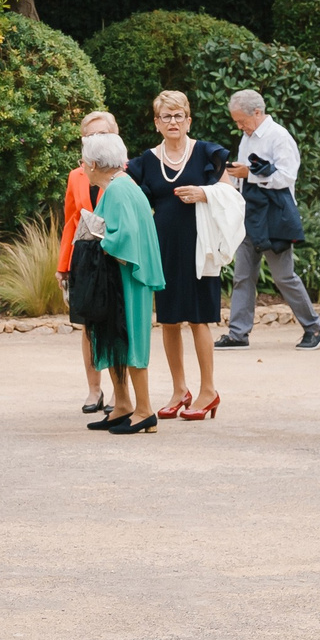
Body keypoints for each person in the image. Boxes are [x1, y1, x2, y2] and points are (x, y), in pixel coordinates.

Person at [128, 90, 228, 419]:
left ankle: (208, 390)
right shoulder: (145, 160)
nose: (173, 121)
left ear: (189, 119)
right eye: (166, 116)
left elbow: (230, 196)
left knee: (199, 318)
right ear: (157, 123)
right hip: (163, 248)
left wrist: (204, 193)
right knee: (169, 319)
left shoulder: (206, 154)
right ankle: (179, 389)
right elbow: (134, 200)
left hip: (201, 247)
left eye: (179, 115)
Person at [216, 88, 320, 351]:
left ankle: (314, 327)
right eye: (236, 122)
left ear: (258, 112)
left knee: (283, 276)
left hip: (274, 216)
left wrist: (249, 173)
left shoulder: (279, 137)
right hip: (249, 212)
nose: (239, 126)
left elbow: (287, 176)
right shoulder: (246, 137)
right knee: (242, 275)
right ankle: (238, 333)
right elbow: (246, 174)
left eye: (242, 120)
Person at [78, 132, 164, 433]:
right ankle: (125, 405)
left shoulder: (118, 191)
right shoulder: (120, 187)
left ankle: (144, 411)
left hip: (128, 279)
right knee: (117, 338)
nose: (82, 166)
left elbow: (123, 237)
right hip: (120, 279)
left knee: (133, 339)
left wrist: (95, 239)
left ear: (93, 164)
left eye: (83, 161)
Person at [55, 111, 121, 413]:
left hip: (116, 256)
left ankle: (123, 394)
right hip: (85, 257)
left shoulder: (126, 173)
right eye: (91, 136)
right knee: (88, 326)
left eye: (103, 134)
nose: (97, 140)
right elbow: (71, 221)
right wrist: (63, 265)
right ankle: (94, 390)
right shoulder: (76, 175)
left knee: (119, 325)